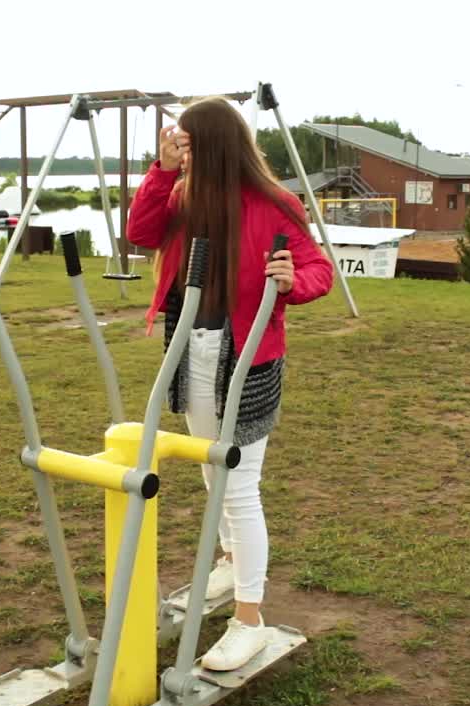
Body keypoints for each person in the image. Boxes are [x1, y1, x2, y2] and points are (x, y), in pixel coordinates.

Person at [126, 96, 334, 671]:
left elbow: (318, 269)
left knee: (239, 487)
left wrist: (291, 280)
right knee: (210, 468)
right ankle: (228, 563)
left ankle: (250, 620)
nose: (181, 152)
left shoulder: (273, 203)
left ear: (215, 145)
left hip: (247, 358)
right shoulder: (181, 195)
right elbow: (141, 232)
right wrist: (161, 170)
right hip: (192, 349)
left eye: (188, 145)